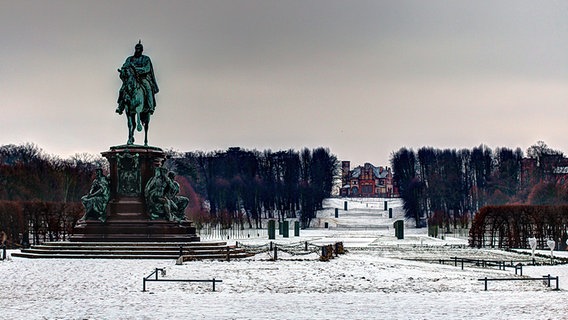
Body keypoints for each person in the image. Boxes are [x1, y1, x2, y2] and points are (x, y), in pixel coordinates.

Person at [116, 41, 159, 116]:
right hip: (131, 78)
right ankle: (120, 106)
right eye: (136, 49)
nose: (137, 51)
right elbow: (125, 66)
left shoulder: (146, 59)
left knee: (148, 88)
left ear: (141, 50)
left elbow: (147, 68)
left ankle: (150, 106)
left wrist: (137, 69)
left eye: (139, 49)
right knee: (122, 89)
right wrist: (123, 70)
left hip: (143, 78)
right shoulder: (129, 59)